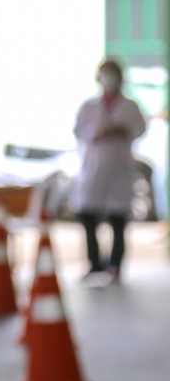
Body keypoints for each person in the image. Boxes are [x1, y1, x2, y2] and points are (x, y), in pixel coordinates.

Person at [72, 58, 146, 282]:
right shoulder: (90, 106)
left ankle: (115, 265)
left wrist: (121, 130)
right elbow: (79, 129)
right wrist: (96, 132)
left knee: (118, 218)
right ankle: (94, 263)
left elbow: (140, 128)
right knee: (88, 215)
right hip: (94, 167)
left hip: (119, 168)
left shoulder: (130, 106)